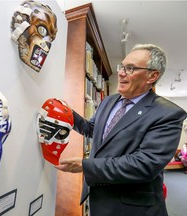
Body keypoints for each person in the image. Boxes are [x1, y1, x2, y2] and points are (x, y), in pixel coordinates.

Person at [55, 44, 187, 216]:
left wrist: (87, 166)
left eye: (130, 68)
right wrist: (67, 114)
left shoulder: (168, 114)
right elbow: (94, 130)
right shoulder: (109, 101)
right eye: (122, 66)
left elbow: (144, 165)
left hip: (132, 208)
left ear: (152, 76)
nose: (121, 73)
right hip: (98, 200)